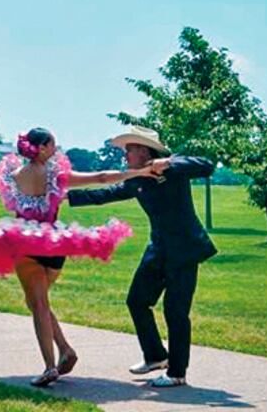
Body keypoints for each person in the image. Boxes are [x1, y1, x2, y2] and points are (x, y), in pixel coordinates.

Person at [0, 127, 159, 387]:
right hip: (56, 246)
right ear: (43, 147)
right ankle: (65, 350)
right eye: (54, 145)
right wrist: (138, 171)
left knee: (37, 305)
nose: (56, 149)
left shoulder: (11, 177)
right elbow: (102, 177)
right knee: (39, 303)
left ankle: (50, 367)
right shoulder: (56, 176)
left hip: (25, 243)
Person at [66, 125, 216, 389]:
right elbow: (106, 194)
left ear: (144, 150)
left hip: (184, 250)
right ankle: (156, 356)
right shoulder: (136, 180)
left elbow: (206, 165)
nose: (126, 156)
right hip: (158, 250)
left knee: (175, 311)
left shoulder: (174, 168)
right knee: (136, 301)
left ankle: (177, 373)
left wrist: (167, 163)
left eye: (130, 150)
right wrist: (63, 197)